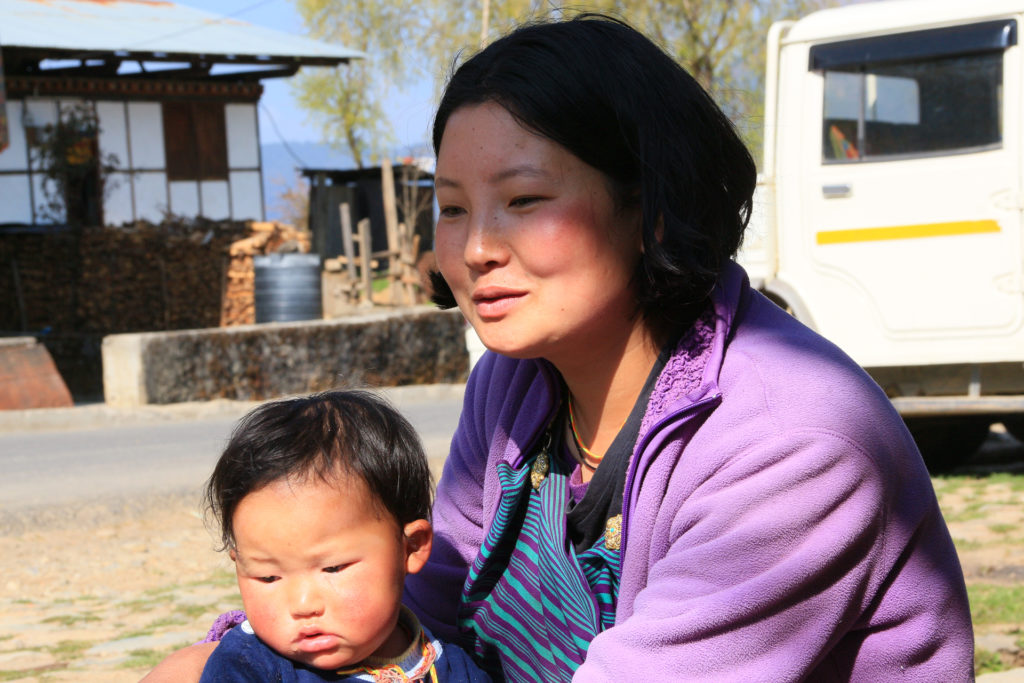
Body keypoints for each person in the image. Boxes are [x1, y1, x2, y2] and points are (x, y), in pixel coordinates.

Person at [144, 13, 973, 682]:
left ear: (649, 206)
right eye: (455, 207)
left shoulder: (788, 441)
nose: (475, 251)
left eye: (525, 199)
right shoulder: (516, 381)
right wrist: (236, 656)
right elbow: (425, 594)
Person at [196, 390, 490, 682]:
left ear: (410, 548)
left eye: (333, 568)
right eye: (268, 577)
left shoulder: (453, 669)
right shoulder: (247, 667)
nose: (303, 604)